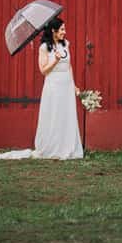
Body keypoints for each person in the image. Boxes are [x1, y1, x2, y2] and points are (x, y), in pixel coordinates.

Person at [34, 17, 84, 160]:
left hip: (66, 85)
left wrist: (73, 85)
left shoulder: (65, 44)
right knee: (54, 114)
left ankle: (67, 146)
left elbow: (69, 66)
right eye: (62, 29)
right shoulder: (44, 48)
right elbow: (43, 71)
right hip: (53, 85)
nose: (64, 32)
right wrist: (55, 61)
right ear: (53, 30)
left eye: (64, 29)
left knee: (66, 115)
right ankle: (52, 148)